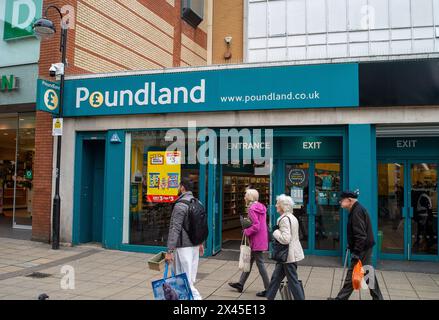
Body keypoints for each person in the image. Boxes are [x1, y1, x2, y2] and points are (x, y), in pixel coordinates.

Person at [329, 191, 384, 300]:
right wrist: (352, 245)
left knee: (353, 274)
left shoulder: (357, 211)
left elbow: (360, 235)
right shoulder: (356, 209)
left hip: (362, 248)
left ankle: (340, 299)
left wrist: (356, 252)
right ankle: (377, 298)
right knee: (367, 273)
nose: (340, 201)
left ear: (349, 200)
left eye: (342, 199)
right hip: (364, 247)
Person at [165, 178, 204, 300]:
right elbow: (201, 226)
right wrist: (201, 242)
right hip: (195, 246)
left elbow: (174, 229)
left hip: (183, 248)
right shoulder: (198, 202)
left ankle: (197, 299)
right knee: (189, 278)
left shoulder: (180, 205)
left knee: (184, 280)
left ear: (182, 187)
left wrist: (169, 251)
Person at [228, 189, 270, 297]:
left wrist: (246, 231)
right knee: (249, 262)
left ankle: (269, 288)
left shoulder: (251, 208)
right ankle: (240, 284)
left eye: (245, 195)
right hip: (261, 238)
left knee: (260, 264)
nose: (244, 197)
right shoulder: (261, 207)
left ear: (250, 197)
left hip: (256, 239)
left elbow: (256, 225)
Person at [266, 194, 305, 300]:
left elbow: (285, 239)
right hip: (287, 255)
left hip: (287, 255)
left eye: (277, 204)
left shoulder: (284, 219)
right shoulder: (292, 217)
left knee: (293, 281)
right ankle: (269, 297)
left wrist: (275, 231)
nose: (275, 206)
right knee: (275, 278)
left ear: (283, 206)